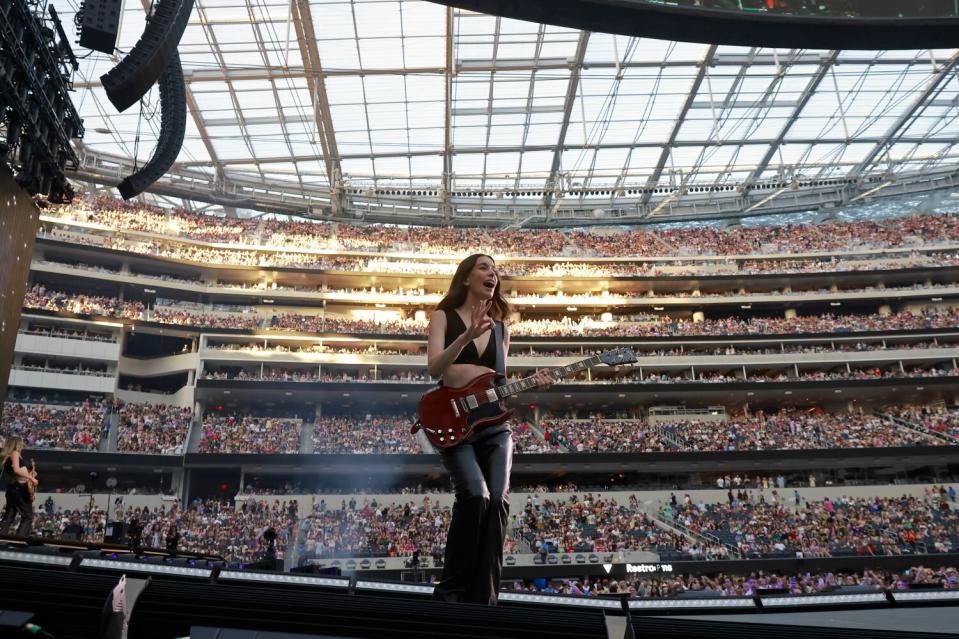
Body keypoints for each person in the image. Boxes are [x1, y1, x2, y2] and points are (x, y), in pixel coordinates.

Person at [426, 253, 554, 605]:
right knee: (475, 496)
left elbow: (499, 382)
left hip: (495, 426)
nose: (492, 274)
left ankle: (485, 596)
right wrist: (465, 336)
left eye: (495, 271)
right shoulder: (443, 317)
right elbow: (434, 368)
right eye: (484, 267)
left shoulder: (501, 328)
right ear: (466, 278)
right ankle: (451, 590)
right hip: (455, 422)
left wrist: (531, 383)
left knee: (498, 500)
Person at [0, 437, 38, 536]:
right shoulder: (15, 453)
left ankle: (2, 537)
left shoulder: (9, 456)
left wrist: (30, 474)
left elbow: (16, 471)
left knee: (9, 516)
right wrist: (31, 477)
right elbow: (17, 470)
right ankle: (19, 541)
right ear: (17, 444)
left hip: (13, 488)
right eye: (21, 443)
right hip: (20, 489)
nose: (23, 445)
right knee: (27, 516)